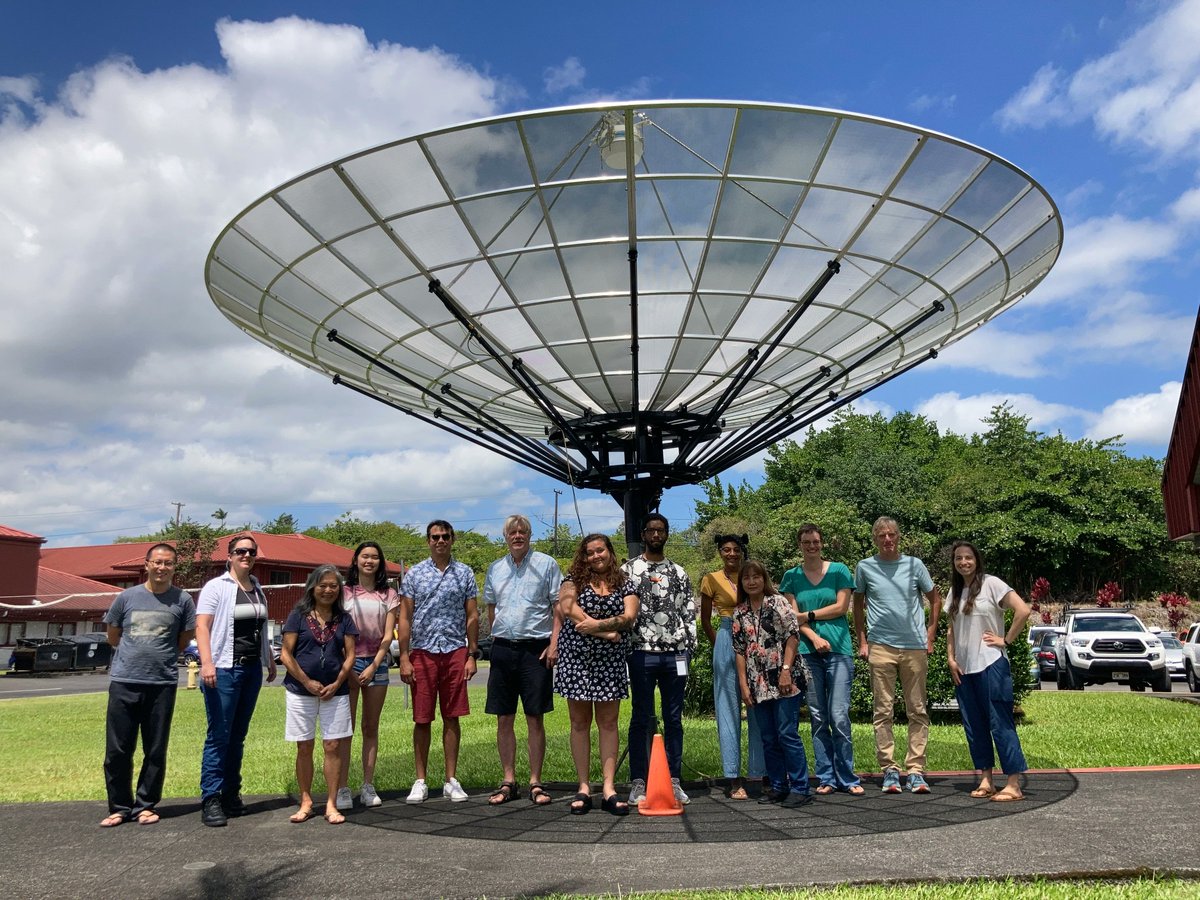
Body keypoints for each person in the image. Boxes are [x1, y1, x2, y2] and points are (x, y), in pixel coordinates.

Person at [100, 543, 196, 827]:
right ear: (147, 564)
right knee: (118, 749)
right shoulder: (126, 598)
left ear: (174, 567)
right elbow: (113, 636)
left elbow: (183, 639)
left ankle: (146, 805)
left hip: (161, 683)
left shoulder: (183, 600)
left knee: (155, 749)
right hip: (125, 681)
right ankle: (119, 806)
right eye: (157, 562)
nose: (162, 568)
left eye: (168, 563)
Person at [852, 516, 942, 794]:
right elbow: (857, 605)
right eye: (882, 536)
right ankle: (889, 769)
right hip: (880, 646)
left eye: (892, 535)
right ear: (875, 539)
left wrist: (930, 633)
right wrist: (863, 641)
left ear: (898, 536)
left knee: (917, 709)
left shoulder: (915, 565)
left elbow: (935, 597)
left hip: (914, 646)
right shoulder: (865, 567)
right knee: (883, 710)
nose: (887, 540)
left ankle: (915, 770)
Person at [196, 534, 277, 827]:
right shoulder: (216, 587)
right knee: (219, 733)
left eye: (251, 552)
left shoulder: (257, 588)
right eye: (240, 551)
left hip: (251, 669)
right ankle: (211, 798)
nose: (246, 556)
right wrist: (207, 663)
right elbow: (202, 626)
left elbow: (259, 627)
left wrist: (268, 659)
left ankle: (231, 793)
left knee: (238, 735)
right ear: (229, 556)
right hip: (224, 669)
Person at [555, 533, 639, 816]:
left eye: (600, 550)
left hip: (610, 663)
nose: (595, 556)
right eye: (590, 552)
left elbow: (628, 617)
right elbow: (568, 607)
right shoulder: (572, 580)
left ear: (609, 551)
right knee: (579, 723)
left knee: (608, 723)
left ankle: (609, 789)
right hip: (576, 660)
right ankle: (582, 787)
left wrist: (598, 627)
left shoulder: (625, 581)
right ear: (584, 555)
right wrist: (607, 632)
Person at [396, 520, 479, 804]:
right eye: (435, 537)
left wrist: (471, 654)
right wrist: (404, 657)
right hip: (423, 650)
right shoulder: (415, 574)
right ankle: (420, 780)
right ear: (428, 541)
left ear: (452, 539)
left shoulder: (465, 573)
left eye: (445, 536)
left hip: (455, 649)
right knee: (422, 718)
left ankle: (450, 780)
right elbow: (404, 617)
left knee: (452, 716)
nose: (440, 541)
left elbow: (472, 615)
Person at [483, 515, 562, 807]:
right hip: (503, 649)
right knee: (504, 717)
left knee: (534, 717)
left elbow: (558, 607)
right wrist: (497, 637)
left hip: (536, 650)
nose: (517, 536)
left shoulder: (547, 564)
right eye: (512, 532)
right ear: (505, 536)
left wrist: (554, 643)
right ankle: (508, 780)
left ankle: (535, 782)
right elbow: (492, 608)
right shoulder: (495, 568)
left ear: (529, 535)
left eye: (522, 532)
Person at [779, 525, 863, 796]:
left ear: (822, 543)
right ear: (799, 545)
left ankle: (848, 777)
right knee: (817, 716)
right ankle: (826, 776)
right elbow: (793, 618)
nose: (811, 546)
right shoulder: (791, 577)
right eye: (806, 542)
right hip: (807, 652)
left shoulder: (839, 571)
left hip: (838, 649)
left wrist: (810, 615)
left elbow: (841, 607)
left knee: (838, 716)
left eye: (815, 541)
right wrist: (813, 637)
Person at [946, 541, 1030, 802]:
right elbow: (951, 629)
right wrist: (951, 659)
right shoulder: (955, 591)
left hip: (991, 663)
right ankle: (986, 779)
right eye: (959, 558)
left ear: (977, 560)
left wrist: (1006, 640)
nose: (963, 562)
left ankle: (1014, 784)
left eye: (968, 558)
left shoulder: (992, 584)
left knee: (999, 722)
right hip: (965, 668)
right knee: (975, 726)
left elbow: (1023, 610)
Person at [622, 513, 695, 806]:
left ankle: (673, 779)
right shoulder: (628, 570)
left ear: (666, 534)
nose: (655, 534)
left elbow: (688, 609)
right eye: (651, 530)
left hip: (674, 653)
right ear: (643, 534)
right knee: (641, 717)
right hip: (641, 653)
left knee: (673, 718)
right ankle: (639, 781)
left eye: (660, 530)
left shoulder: (678, 572)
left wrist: (688, 646)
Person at [280, 565, 358, 824]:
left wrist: (336, 683)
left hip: (336, 692)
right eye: (322, 585)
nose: (328, 590)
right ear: (312, 587)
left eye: (333, 586)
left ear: (339, 590)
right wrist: (306, 681)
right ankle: (306, 801)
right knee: (304, 745)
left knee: (333, 745)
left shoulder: (344, 618)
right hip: (300, 691)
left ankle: (332, 804)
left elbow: (350, 656)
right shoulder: (297, 616)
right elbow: (286, 654)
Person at [732, 559, 811, 808]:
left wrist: (786, 670)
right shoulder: (740, 612)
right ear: (742, 583)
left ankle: (800, 787)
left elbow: (792, 636)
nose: (752, 581)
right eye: (747, 578)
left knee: (787, 733)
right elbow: (740, 650)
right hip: (758, 682)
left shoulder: (778, 603)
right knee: (768, 736)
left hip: (785, 678)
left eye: (756, 576)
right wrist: (744, 685)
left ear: (764, 578)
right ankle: (778, 786)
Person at [698, 532, 764, 800]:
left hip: (754, 637)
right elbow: (704, 621)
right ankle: (733, 777)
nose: (732, 554)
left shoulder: (751, 575)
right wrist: (720, 645)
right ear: (720, 552)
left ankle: (759, 773)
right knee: (728, 709)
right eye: (726, 550)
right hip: (725, 636)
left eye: (736, 549)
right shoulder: (710, 580)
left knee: (758, 705)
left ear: (742, 551)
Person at [336, 541, 400, 810]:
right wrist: (348, 667)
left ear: (380, 562)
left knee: (370, 728)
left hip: (377, 664)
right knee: (344, 729)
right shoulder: (343, 592)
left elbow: (388, 635)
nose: (369, 561)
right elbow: (337, 630)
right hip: (347, 664)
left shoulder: (389, 594)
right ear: (356, 560)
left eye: (375, 557)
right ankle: (341, 788)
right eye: (365, 556)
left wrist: (375, 665)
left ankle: (367, 785)